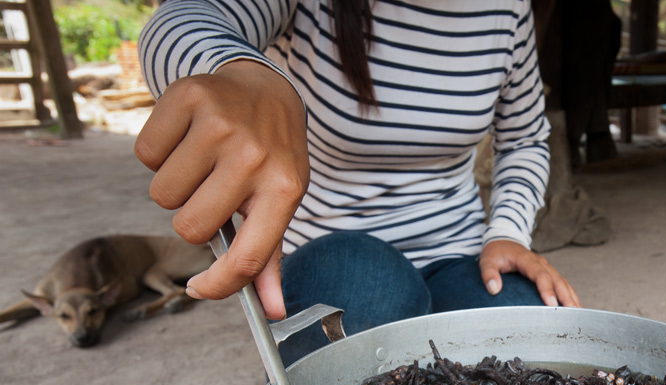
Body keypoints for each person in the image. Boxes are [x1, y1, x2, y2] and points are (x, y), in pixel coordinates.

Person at [134, 0, 581, 364]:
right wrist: (239, 71)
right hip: (336, 254)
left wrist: (508, 232)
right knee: (366, 299)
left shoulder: (508, 9)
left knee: (543, 346)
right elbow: (179, 19)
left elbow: (524, 138)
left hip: (460, 253)